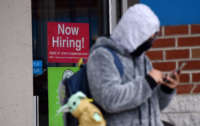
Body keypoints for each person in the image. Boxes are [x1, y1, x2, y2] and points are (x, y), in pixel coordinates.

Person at [86, 3, 179, 126]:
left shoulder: (143, 60)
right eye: (148, 37)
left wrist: (166, 89)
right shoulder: (102, 56)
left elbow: (154, 107)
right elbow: (109, 99)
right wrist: (148, 82)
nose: (151, 41)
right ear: (135, 34)